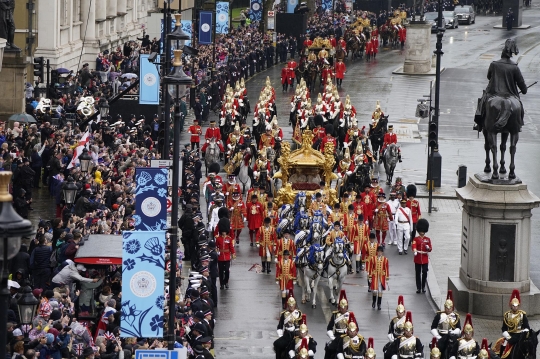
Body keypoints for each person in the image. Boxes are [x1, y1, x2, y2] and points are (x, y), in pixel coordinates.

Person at [499, 289, 530, 357]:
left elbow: (527, 327)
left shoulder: (522, 315)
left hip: (520, 335)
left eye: (516, 306)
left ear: (518, 306)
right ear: (511, 305)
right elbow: (504, 329)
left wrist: (522, 334)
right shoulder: (507, 315)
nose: (515, 307)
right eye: (513, 306)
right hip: (510, 335)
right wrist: (508, 337)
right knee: (502, 345)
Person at [431, 290, 462, 357]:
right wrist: (437, 336)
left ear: (452, 307)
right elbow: (433, 327)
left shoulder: (456, 316)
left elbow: (459, 328)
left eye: (450, 307)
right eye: (447, 307)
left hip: (451, 336)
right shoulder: (439, 315)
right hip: (441, 336)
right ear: (444, 307)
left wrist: (453, 332)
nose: (448, 309)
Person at [274, 294, 302, 359]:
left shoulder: (299, 313)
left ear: (295, 305)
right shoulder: (284, 314)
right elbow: (280, 327)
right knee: (277, 344)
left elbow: (302, 325)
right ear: (288, 305)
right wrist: (280, 336)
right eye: (290, 305)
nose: (291, 307)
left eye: (292, 305)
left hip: (297, 335)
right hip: (287, 335)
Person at [411, 218, 431, 293]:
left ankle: (423, 287)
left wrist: (428, 248)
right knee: (418, 273)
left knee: (425, 272)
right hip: (418, 258)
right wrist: (415, 251)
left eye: (423, 231)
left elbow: (430, 248)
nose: (422, 233)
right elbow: (414, 246)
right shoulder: (416, 239)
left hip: (425, 258)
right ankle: (419, 288)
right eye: (421, 231)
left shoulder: (427, 239)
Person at [215, 217, 236, 290]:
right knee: (220, 271)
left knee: (227, 270)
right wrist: (216, 251)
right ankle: (221, 284)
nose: (223, 232)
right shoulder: (218, 239)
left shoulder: (229, 239)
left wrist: (233, 254)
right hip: (220, 257)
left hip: (227, 256)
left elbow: (231, 247)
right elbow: (216, 246)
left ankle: (226, 282)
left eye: (225, 231)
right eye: (222, 231)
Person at [366, 245, 389, 310]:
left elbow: (387, 269)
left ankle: (379, 304)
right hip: (375, 276)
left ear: (382, 252)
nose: (379, 253)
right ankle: (374, 301)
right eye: (378, 252)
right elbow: (370, 268)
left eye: (380, 252)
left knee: (380, 291)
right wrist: (370, 277)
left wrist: (387, 278)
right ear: (377, 252)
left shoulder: (385, 259)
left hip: (381, 277)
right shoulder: (373, 259)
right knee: (375, 291)